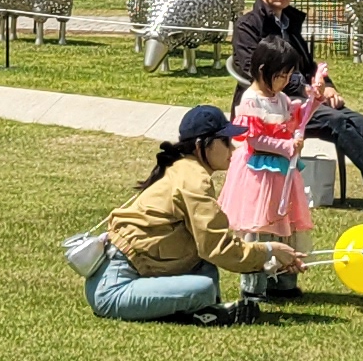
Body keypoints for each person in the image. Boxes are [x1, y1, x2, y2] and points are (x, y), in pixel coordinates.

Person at [84, 105, 289, 324]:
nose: (233, 147)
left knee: (203, 267)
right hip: (114, 289)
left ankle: (206, 312)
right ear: (202, 145)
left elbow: (209, 247)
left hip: (120, 276)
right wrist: (268, 252)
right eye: (225, 141)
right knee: (203, 288)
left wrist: (269, 254)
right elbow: (218, 247)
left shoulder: (183, 168)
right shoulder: (194, 180)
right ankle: (206, 313)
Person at [231, 0, 363, 210]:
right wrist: (301, 88)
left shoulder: (290, 23)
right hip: (268, 106)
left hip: (302, 100)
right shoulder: (248, 25)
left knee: (361, 121)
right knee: (336, 121)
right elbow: (255, 69)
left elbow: (308, 65)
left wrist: (328, 85)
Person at [219, 42, 324, 291]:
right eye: (281, 76)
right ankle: (254, 283)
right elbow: (254, 140)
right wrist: (286, 146)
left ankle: (283, 280)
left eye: (289, 76)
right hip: (259, 174)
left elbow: (298, 119)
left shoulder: (281, 98)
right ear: (263, 70)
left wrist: (315, 99)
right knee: (261, 225)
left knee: (284, 223)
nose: (285, 81)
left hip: (281, 173)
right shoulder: (251, 101)